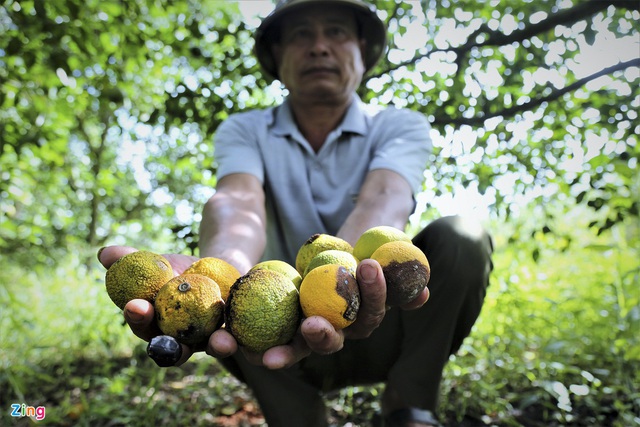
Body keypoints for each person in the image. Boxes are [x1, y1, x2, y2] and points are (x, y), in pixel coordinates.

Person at [98, 1, 494, 426]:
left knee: (462, 237)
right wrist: (224, 271)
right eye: (301, 34)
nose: (319, 47)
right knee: (241, 299)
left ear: (361, 51)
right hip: (277, 334)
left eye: (336, 32)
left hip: (377, 320)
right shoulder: (245, 130)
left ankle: (409, 403)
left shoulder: (399, 125)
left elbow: (385, 196)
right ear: (278, 57)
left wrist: (345, 280)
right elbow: (237, 201)